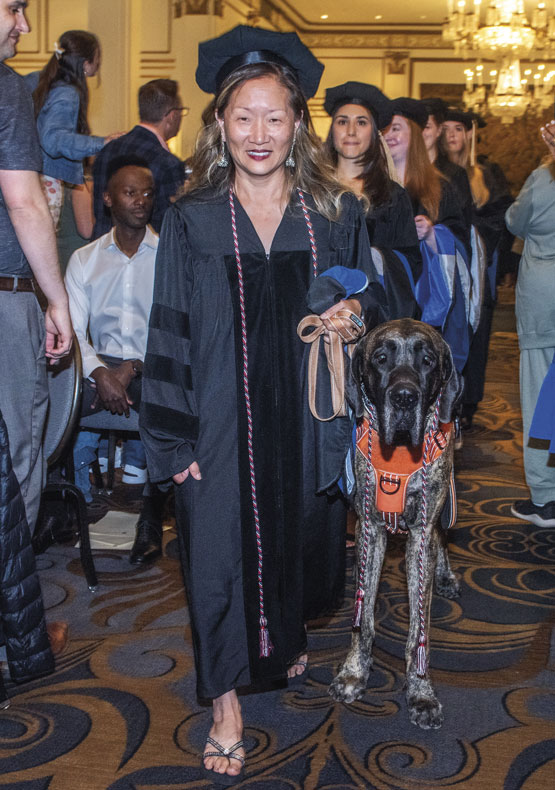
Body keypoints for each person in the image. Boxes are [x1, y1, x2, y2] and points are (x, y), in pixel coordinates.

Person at [139, 25, 387, 785]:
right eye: (242, 116)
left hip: (306, 425)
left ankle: (280, 641)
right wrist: (173, 443)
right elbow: (168, 331)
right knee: (215, 560)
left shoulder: (333, 215)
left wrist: (352, 318)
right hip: (217, 423)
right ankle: (225, 707)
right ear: (218, 123)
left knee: (298, 546)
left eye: (274, 117)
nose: (258, 133)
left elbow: (365, 297)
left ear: (297, 125)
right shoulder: (192, 217)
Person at [0, 0, 72, 667]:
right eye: (16, 6)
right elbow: (23, 201)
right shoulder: (5, 85)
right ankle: (8, 633)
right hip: (3, 301)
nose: (23, 25)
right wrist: (57, 301)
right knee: (17, 462)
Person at [65, 157, 166, 565]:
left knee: (168, 400)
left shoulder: (168, 258)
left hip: (152, 366)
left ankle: (151, 516)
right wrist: (101, 372)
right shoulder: (85, 260)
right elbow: (72, 331)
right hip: (97, 365)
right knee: (58, 393)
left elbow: (175, 331)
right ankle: (70, 506)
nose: (141, 200)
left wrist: (131, 367)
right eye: (130, 192)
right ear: (107, 199)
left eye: (147, 193)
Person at [382, 97, 471, 373]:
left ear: (415, 135)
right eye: (384, 129)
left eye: (396, 128)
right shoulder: (369, 187)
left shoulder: (440, 188)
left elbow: (463, 242)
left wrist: (434, 235)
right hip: (384, 298)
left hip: (425, 299)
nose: (389, 135)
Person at [323, 81, 420, 318]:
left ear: (374, 133)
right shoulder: (310, 189)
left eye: (362, 122)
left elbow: (411, 261)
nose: (351, 131)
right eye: (342, 121)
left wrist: (374, 258)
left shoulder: (392, 195)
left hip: (374, 311)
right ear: (332, 130)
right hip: (317, 308)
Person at [442, 107, 512, 428]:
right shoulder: (435, 172)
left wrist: (474, 233)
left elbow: (502, 217)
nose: (453, 135)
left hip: (480, 262)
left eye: (459, 129)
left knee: (478, 330)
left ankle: (469, 401)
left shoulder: (487, 172)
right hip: (448, 261)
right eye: (447, 128)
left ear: (470, 133)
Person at [506, 127, 555, 527]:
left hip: (544, 295)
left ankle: (545, 496)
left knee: (543, 398)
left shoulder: (543, 177)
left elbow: (513, 220)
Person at [25, 30, 120, 227]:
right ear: (85, 63)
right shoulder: (68, 92)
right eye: (97, 57)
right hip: (46, 180)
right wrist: (101, 143)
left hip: (25, 175)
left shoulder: (38, 80)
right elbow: (53, 139)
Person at [92, 79, 186, 238]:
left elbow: (99, 212)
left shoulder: (107, 150)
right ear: (171, 116)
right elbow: (169, 227)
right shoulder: (168, 163)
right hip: (145, 256)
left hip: (102, 251)